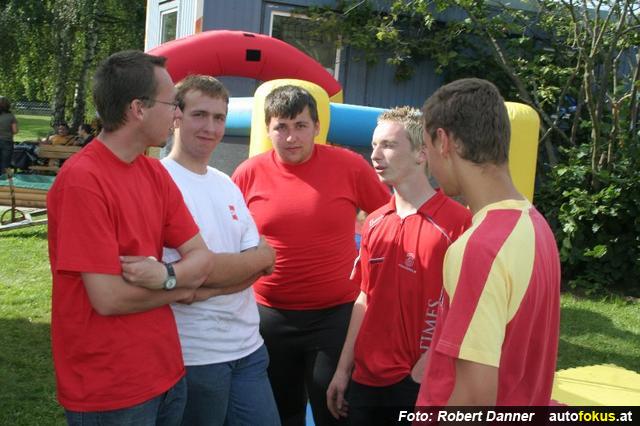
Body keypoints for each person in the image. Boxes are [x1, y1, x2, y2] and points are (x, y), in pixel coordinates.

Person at [47, 50, 275, 426]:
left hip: (166, 375)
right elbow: (109, 298)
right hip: (109, 389)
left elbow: (201, 259)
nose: (176, 115)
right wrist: (182, 288)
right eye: (172, 105)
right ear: (138, 109)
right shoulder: (83, 181)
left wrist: (166, 276)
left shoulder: (153, 174)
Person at [232, 85, 391, 426]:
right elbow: (228, 236)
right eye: (281, 127)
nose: (291, 137)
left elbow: (390, 217)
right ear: (267, 129)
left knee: (334, 410)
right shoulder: (248, 173)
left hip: (334, 317)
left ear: (317, 127)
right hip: (268, 316)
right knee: (280, 414)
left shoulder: (348, 165)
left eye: (300, 125)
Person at [416, 78, 561, 406]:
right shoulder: (535, 225)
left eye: (426, 148)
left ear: (444, 141)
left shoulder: (480, 248)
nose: (429, 164)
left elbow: (473, 399)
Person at [326, 107, 471, 425]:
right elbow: (364, 297)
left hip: (419, 379)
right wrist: (342, 370)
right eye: (374, 145)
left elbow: (468, 305)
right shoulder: (375, 221)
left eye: (388, 145)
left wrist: (427, 364)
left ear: (421, 153)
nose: (375, 155)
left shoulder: (457, 223)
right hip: (365, 379)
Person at [160, 75, 280, 425]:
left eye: (219, 118)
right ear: (176, 116)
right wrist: (246, 264)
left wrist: (206, 286)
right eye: (199, 115)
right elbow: (189, 276)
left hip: (249, 347)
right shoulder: (160, 180)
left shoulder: (225, 182)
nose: (210, 127)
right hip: (195, 354)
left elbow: (263, 263)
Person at [0, 96, 18, 175]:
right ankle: (6, 179)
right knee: (6, 163)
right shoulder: (11, 116)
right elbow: (15, 131)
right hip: (7, 141)